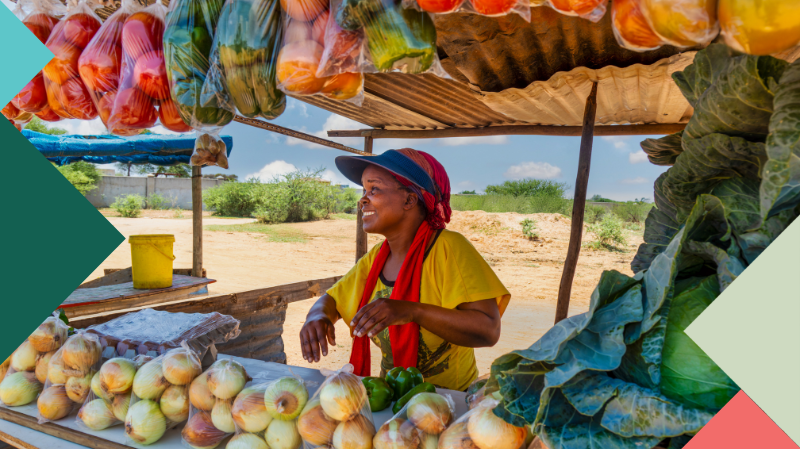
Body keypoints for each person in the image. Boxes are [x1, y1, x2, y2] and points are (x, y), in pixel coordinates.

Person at [299, 148, 510, 392]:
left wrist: (411, 311)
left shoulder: (448, 248)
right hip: (393, 399)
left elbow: (488, 330)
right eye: (364, 191)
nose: (363, 200)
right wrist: (318, 316)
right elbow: (332, 299)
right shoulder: (378, 257)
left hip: (450, 403)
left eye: (374, 189)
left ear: (410, 200)